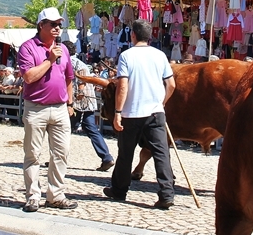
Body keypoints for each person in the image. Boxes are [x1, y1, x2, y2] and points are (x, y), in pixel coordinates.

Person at [103, 18, 177, 210]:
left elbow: (123, 86)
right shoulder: (160, 55)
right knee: (162, 154)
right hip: (155, 113)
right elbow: (171, 85)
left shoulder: (127, 56)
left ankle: (119, 190)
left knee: (125, 154)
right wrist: (162, 103)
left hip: (131, 113)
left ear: (133, 35)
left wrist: (117, 112)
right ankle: (167, 194)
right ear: (149, 36)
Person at [17, 7, 77, 212]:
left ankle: (56, 195)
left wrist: (70, 103)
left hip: (60, 108)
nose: (57, 28)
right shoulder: (28, 48)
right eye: (53, 24)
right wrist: (50, 60)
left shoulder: (64, 49)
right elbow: (29, 77)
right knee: (33, 154)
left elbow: (69, 78)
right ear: (41, 25)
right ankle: (33, 196)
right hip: (36, 109)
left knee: (61, 153)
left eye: (59, 24)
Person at [65, 41, 115, 172]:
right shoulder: (76, 61)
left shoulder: (73, 62)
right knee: (91, 130)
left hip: (78, 101)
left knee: (65, 129)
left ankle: (57, 158)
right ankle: (106, 157)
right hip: (86, 103)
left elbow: (81, 77)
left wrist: (80, 92)